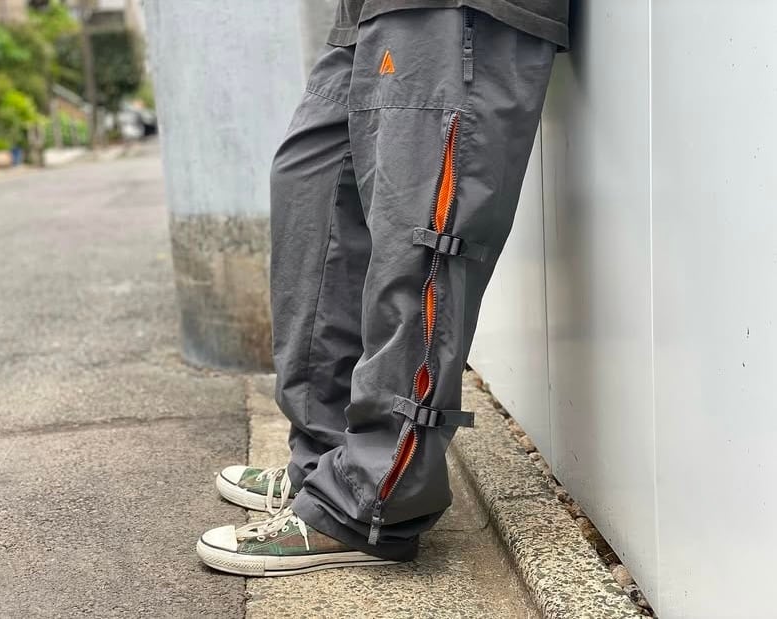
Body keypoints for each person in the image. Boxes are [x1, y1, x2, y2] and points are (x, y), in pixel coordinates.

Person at [196, 0, 569, 577]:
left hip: (454, 11)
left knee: (414, 248)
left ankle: (367, 503)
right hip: (368, 10)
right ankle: (324, 463)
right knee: (311, 190)